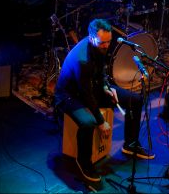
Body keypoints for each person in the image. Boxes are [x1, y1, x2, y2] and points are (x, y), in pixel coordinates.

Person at [54, 18, 154, 183]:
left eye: (109, 41)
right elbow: (86, 95)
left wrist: (107, 87)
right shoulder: (82, 60)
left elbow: (100, 72)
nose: (107, 46)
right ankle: (84, 163)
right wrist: (101, 122)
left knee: (135, 100)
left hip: (88, 88)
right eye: (103, 42)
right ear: (92, 37)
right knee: (88, 122)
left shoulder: (100, 45)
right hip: (69, 96)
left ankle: (130, 143)